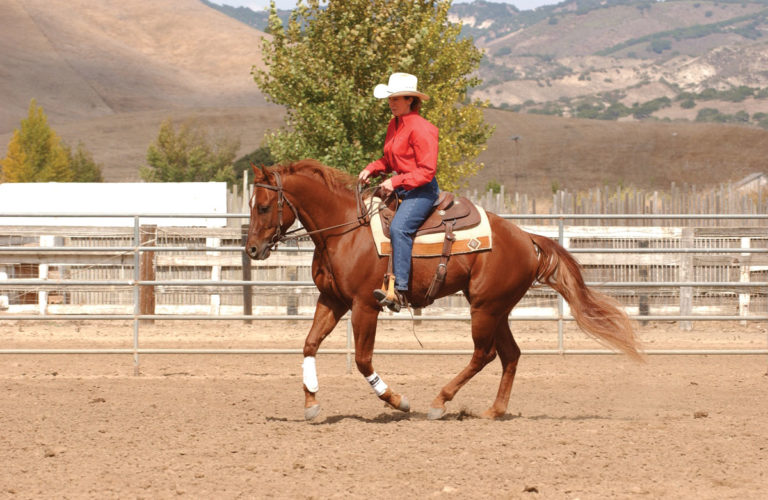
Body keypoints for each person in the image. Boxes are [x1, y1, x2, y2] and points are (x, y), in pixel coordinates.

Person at [358, 72, 440, 311]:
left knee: (399, 228)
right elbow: (389, 159)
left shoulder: (422, 129)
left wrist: (395, 182)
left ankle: (400, 291)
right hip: (402, 188)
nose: (391, 103)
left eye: (396, 98)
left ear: (410, 100)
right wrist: (372, 169)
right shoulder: (393, 125)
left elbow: (427, 170)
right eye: (390, 99)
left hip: (422, 191)